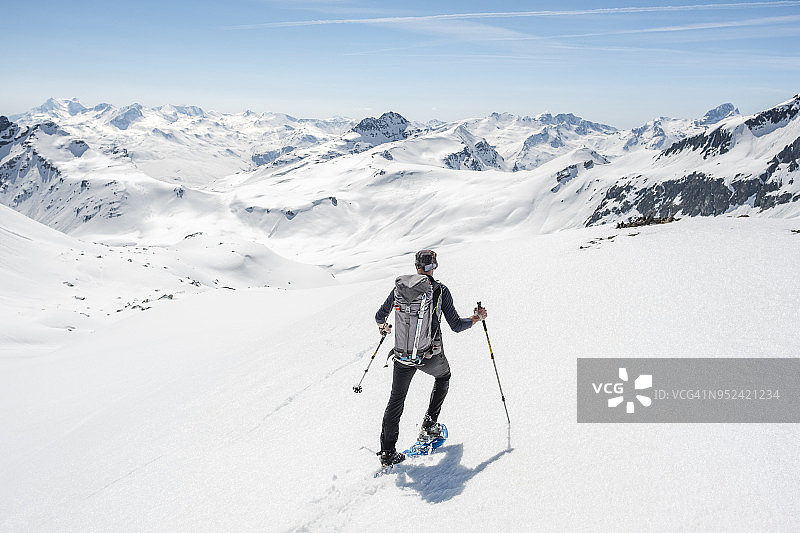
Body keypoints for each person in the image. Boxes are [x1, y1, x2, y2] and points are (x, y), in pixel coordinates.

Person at [374, 249, 487, 467]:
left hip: (402, 354)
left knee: (396, 399)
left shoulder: (400, 288)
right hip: (428, 354)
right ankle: (429, 426)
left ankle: (387, 453)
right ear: (433, 267)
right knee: (443, 377)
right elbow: (456, 325)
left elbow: (380, 316)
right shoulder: (440, 290)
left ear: (416, 267)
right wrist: (477, 317)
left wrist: (383, 327)